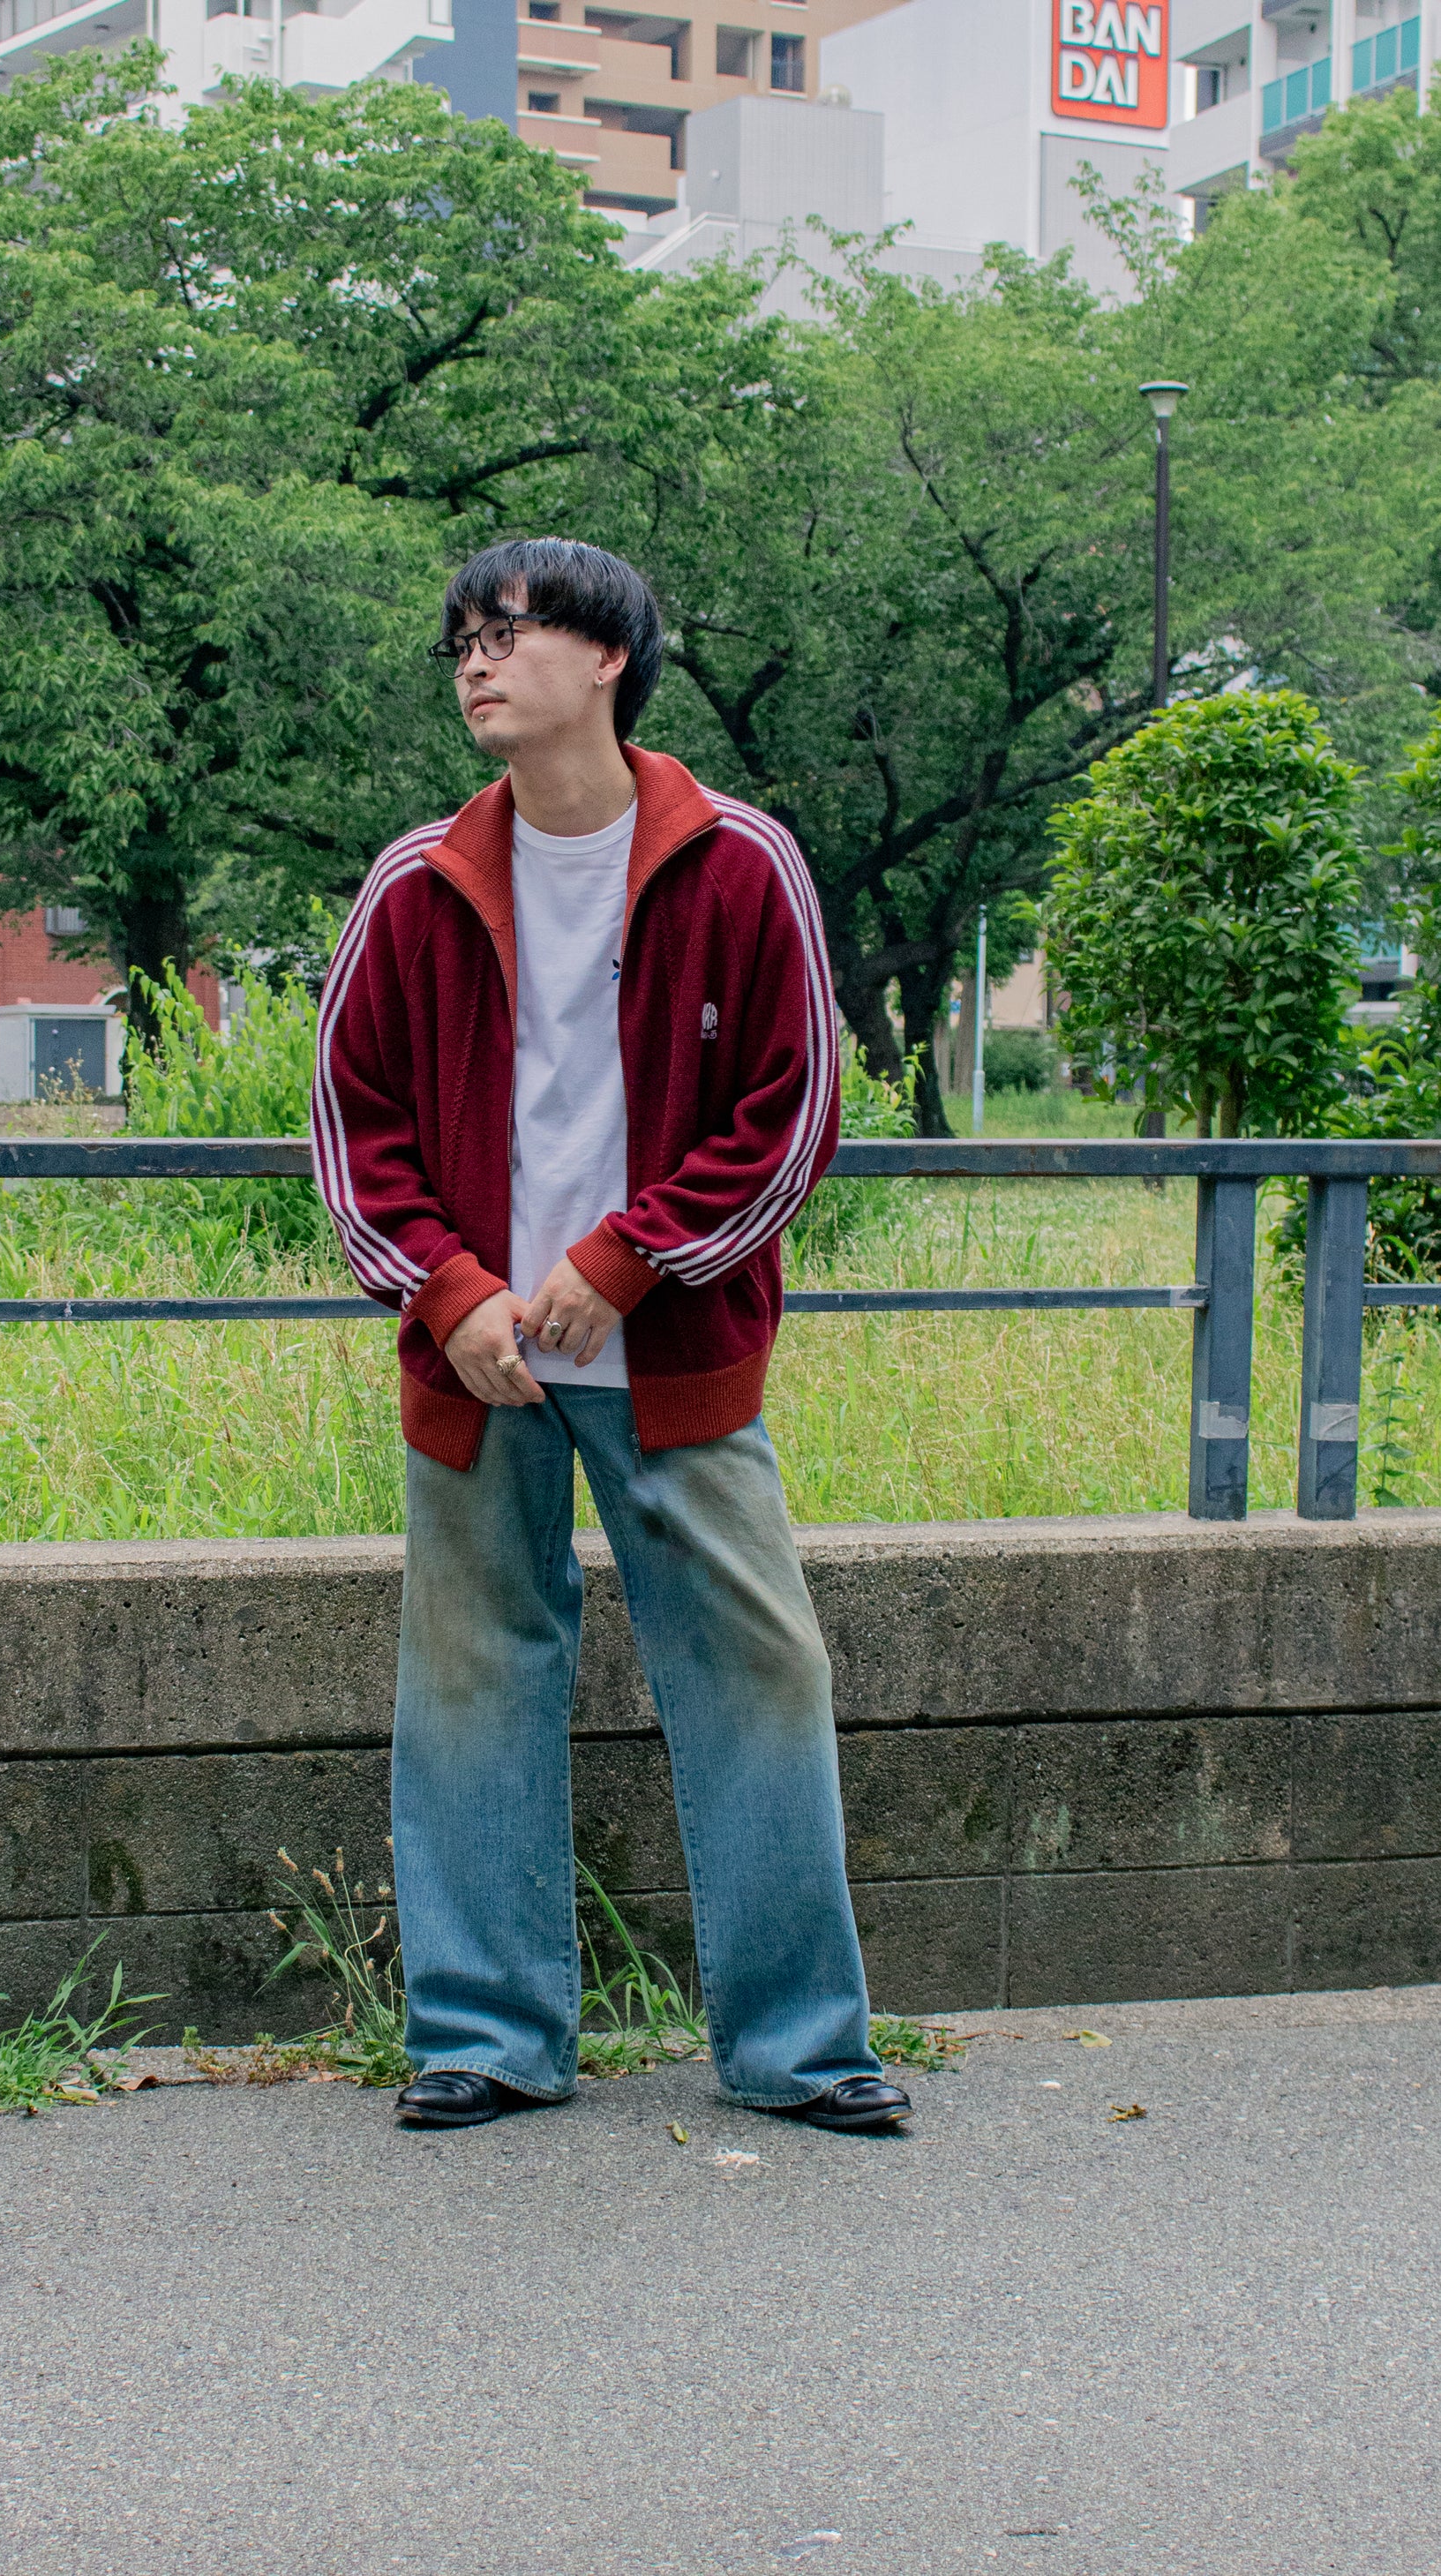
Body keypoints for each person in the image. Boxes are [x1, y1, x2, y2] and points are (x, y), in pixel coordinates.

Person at [312, 537, 911, 2137]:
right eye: (461, 638)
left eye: (509, 630)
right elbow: (353, 1131)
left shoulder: (738, 860)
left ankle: (801, 2049)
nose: (476, 658)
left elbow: (792, 1111)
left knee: (759, 1672)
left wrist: (630, 1256)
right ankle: (487, 2037)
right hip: (481, 1363)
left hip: (671, 1353)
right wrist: (452, 1293)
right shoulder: (416, 880)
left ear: (609, 660)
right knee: (471, 1687)